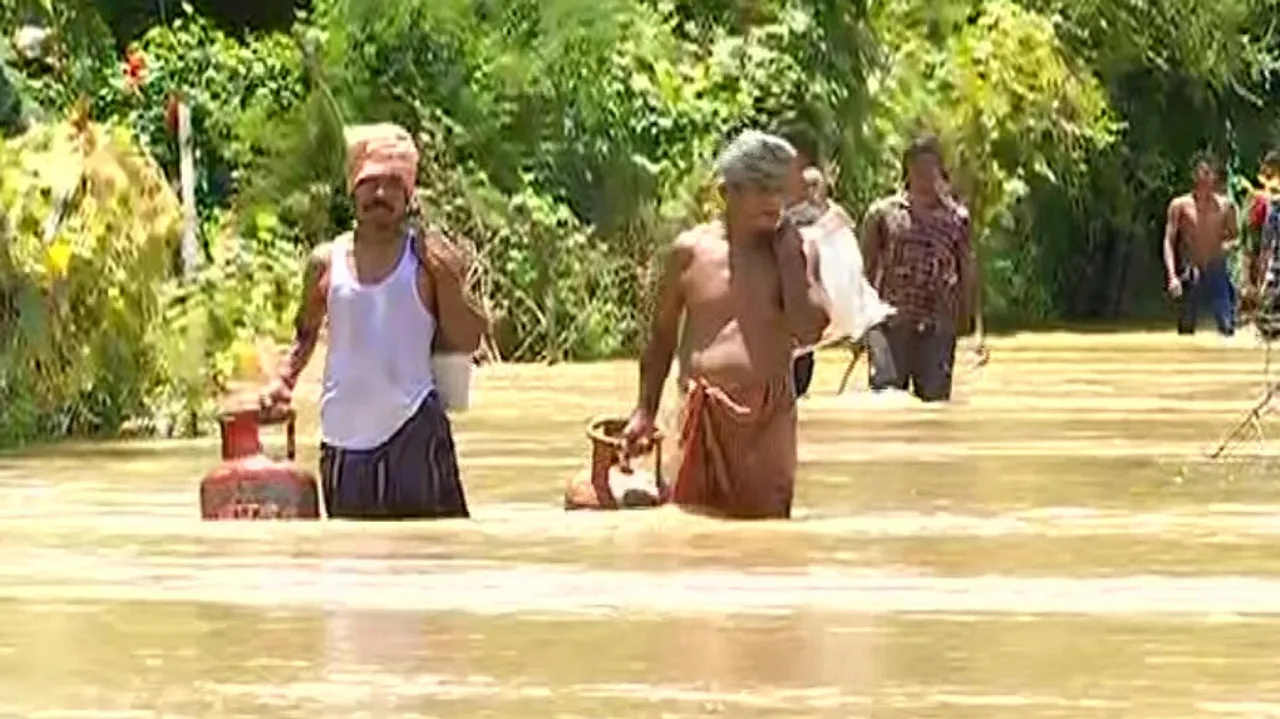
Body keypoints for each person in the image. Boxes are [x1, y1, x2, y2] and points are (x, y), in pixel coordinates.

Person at [259, 123, 487, 520]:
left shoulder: (428, 260)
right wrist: (283, 380)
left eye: (392, 185)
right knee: (351, 563)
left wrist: (450, 279)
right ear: (352, 189)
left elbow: (468, 338)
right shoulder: (325, 262)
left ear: (408, 194)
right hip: (343, 444)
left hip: (414, 434)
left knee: (432, 560)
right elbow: (304, 334)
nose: (379, 195)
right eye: (369, 183)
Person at [621, 130, 831, 520]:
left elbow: (810, 329)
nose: (774, 201)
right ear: (725, 193)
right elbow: (662, 336)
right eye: (760, 188)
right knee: (689, 523)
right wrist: (644, 411)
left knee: (766, 534)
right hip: (699, 415)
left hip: (769, 418)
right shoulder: (690, 252)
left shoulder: (799, 249)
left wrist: (790, 260)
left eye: (778, 189)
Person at [861, 134, 977, 402]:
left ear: (940, 170)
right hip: (891, 324)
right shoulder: (884, 214)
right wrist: (861, 323)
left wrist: (967, 318)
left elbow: (967, 269)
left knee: (935, 404)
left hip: (937, 326)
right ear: (908, 171)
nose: (925, 176)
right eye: (919, 168)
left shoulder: (956, 220)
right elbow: (865, 269)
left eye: (931, 168)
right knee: (886, 400)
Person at [1163, 152, 1239, 337]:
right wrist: (1172, 276)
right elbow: (1169, 241)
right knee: (1186, 327)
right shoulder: (1180, 205)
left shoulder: (1226, 206)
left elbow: (1236, 238)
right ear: (1194, 175)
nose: (1206, 177)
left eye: (1209, 173)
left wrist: (1226, 247)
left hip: (1216, 266)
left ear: (1214, 176)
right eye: (1202, 172)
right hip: (1191, 268)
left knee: (1227, 326)